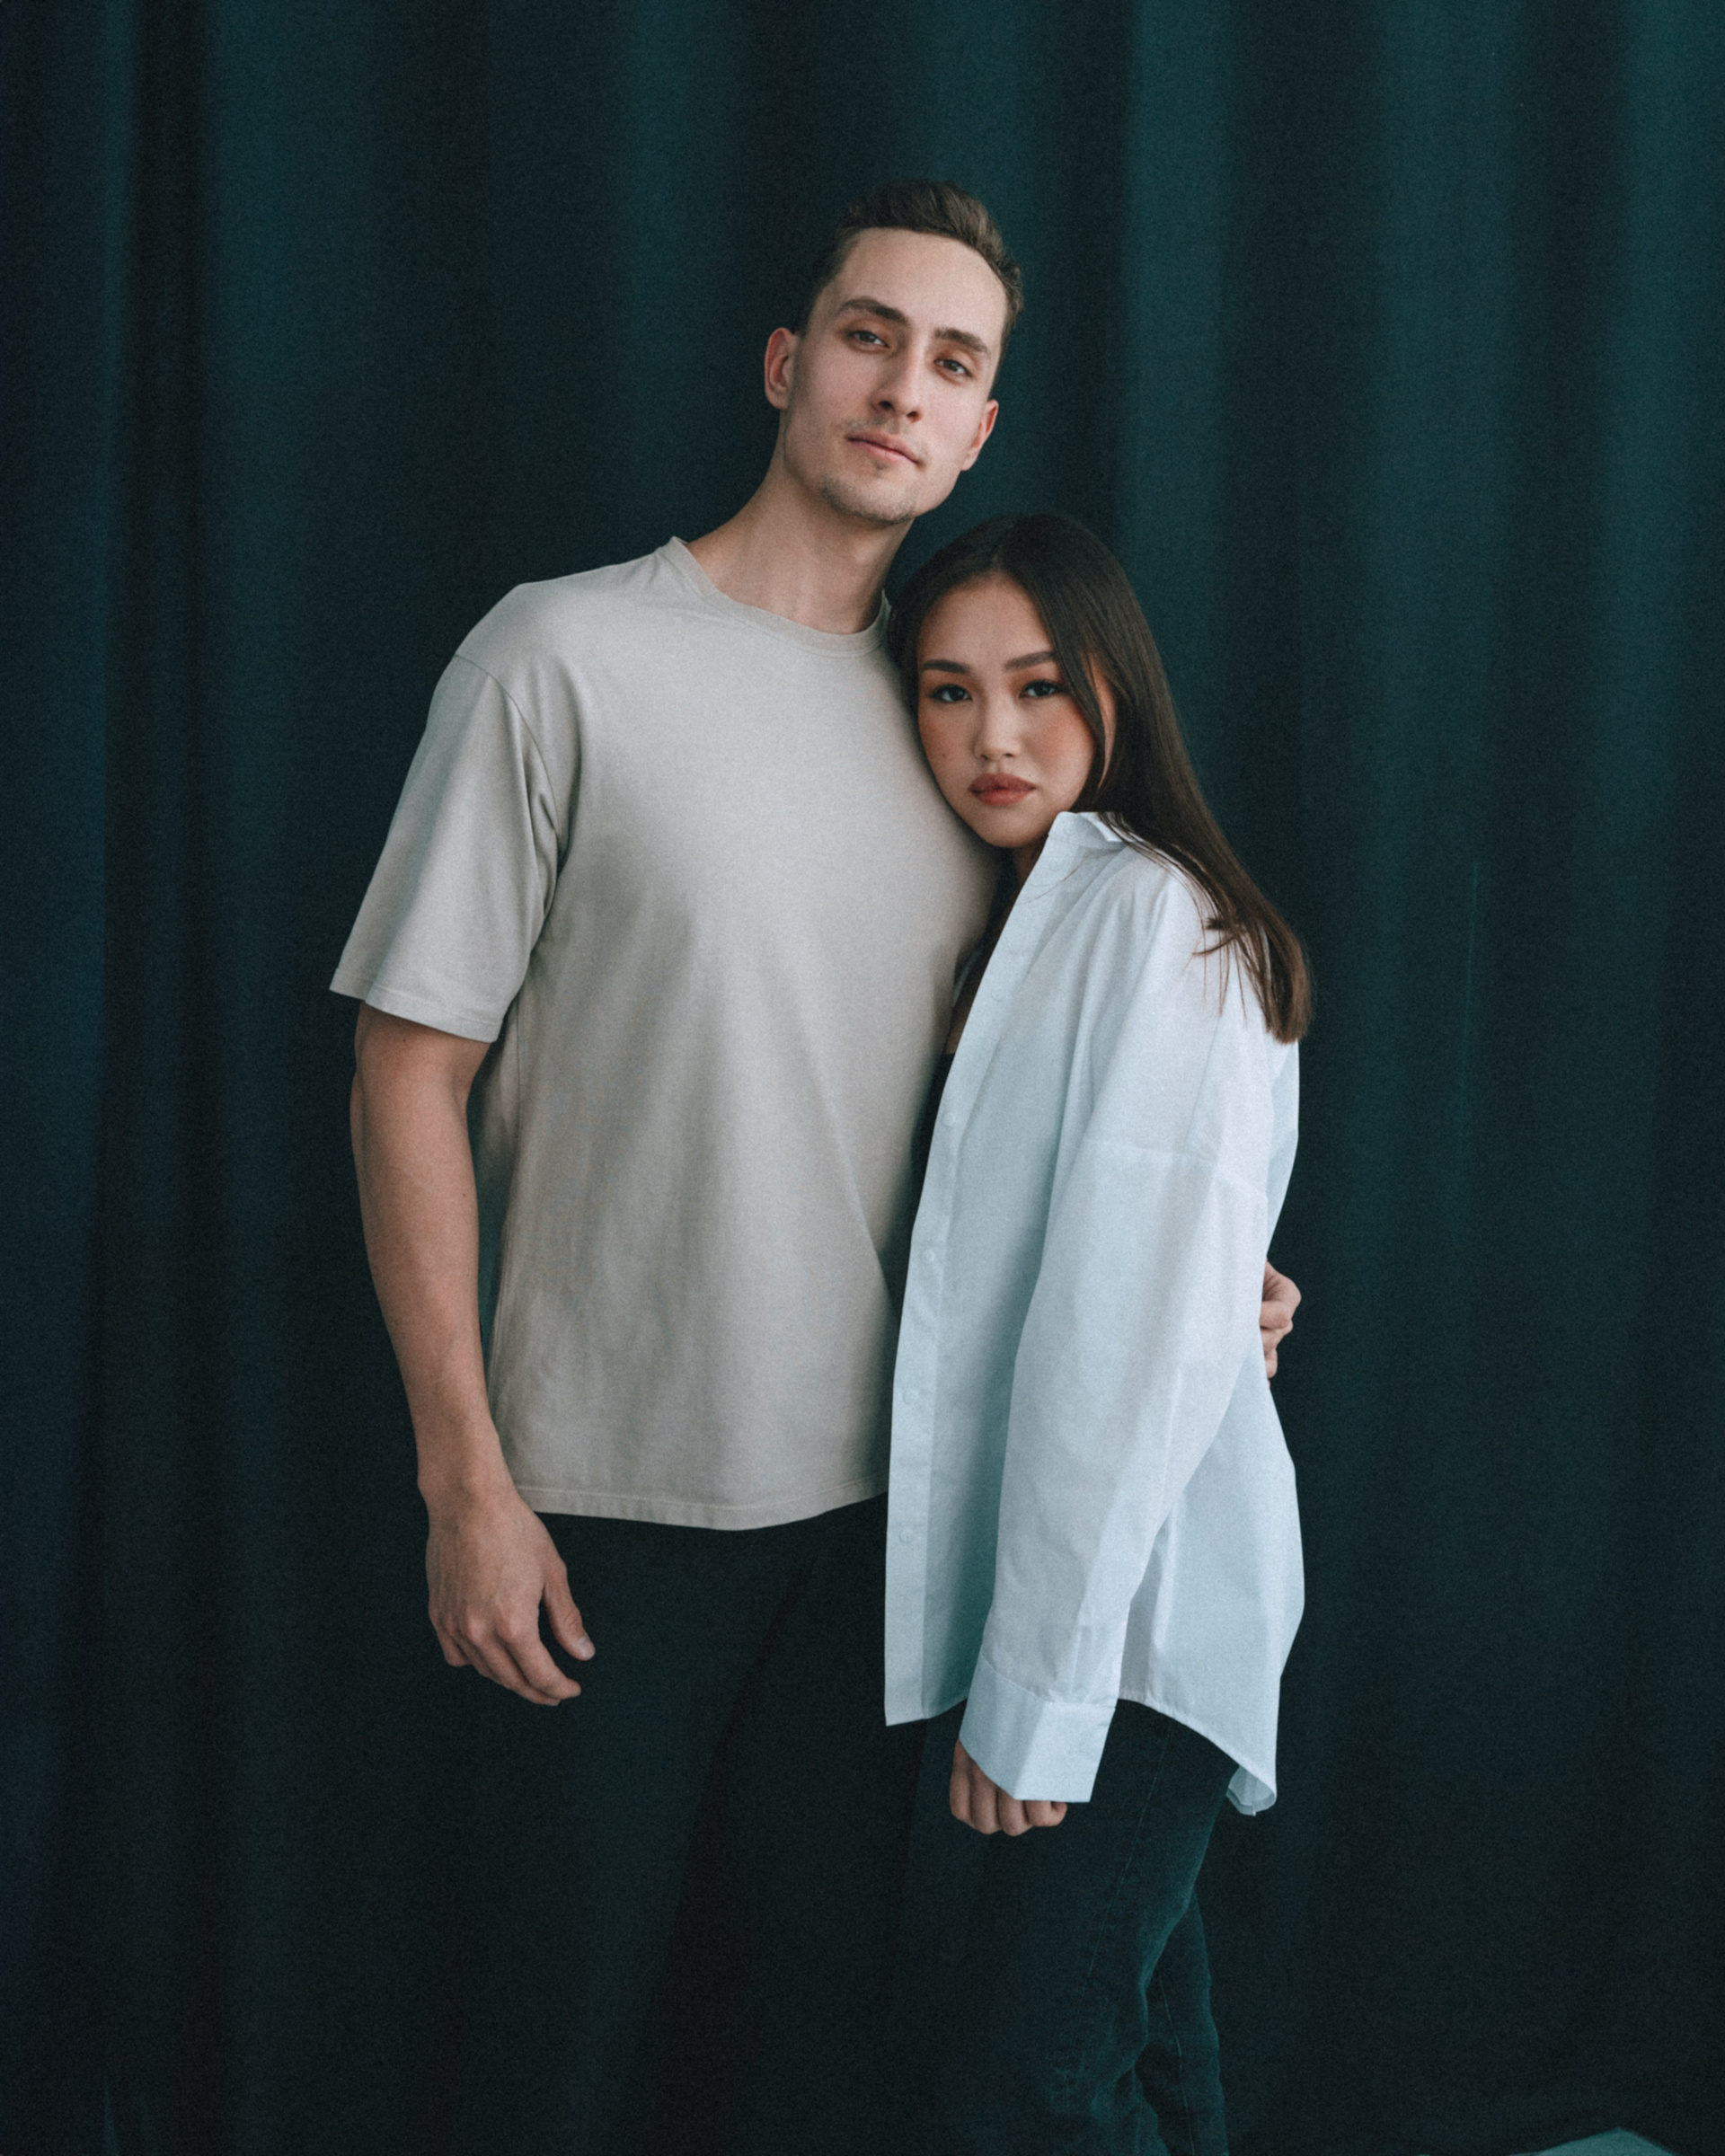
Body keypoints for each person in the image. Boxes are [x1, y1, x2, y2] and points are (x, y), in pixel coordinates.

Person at [334, 180, 1302, 2154]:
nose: (900, 387)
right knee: (540, 2054)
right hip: (602, 1506)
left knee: (807, 2067)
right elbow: (405, 1070)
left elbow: (1068, 1107)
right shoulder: (562, 656)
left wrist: (1213, 1283)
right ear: (791, 363)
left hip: (885, 1530)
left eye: (952, 363)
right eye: (870, 336)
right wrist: (465, 1483)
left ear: (979, 430)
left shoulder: (964, 721)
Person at [882, 512, 1309, 2155]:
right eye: (948, 690)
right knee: (1143, 2059)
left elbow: (1126, 1342)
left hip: (1130, 1626)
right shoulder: (1035, 915)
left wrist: (1042, 1692)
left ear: (1115, 686)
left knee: (1039, 2082)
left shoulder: (1156, 921)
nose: (992, 734)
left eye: (1038, 684)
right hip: (1074, 1600)